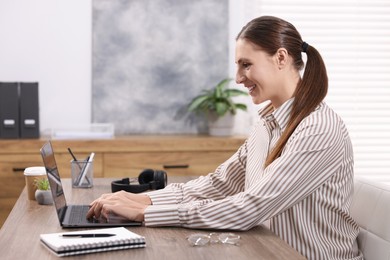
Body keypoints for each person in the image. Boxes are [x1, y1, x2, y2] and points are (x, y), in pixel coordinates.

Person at [87, 16, 363, 260]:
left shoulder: (318, 129)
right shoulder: (268, 124)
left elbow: (251, 207)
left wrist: (145, 214)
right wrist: (146, 200)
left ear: (281, 58)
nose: (238, 78)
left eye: (246, 65)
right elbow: (219, 184)